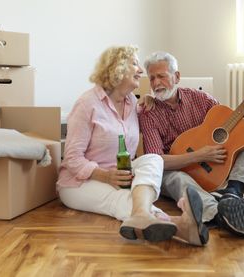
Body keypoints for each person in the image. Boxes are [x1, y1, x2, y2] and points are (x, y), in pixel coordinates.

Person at [57, 46, 209, 246]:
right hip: (81, 182)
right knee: (121, 198)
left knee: (153, 159)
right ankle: (181, 226)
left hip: (121, 173)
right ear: (118, 68)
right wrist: (105, 176)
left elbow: (144, 107)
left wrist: (149, 98)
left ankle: (142, 216)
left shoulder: (131, 102)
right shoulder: (87, 104)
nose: (141, 71)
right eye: (135, 64)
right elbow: (72, 158)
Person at [138, 51, 244, 238]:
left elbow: (237, 128)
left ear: (177, 77)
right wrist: (199, 155)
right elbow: (157, 160)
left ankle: (233, 192)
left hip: (211, 169)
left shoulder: (201, 99)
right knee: (176, 179)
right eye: (152, 78)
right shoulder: (148, 112)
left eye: (162, 76)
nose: (156, 83)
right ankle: (220, 214)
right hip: (174, 169)